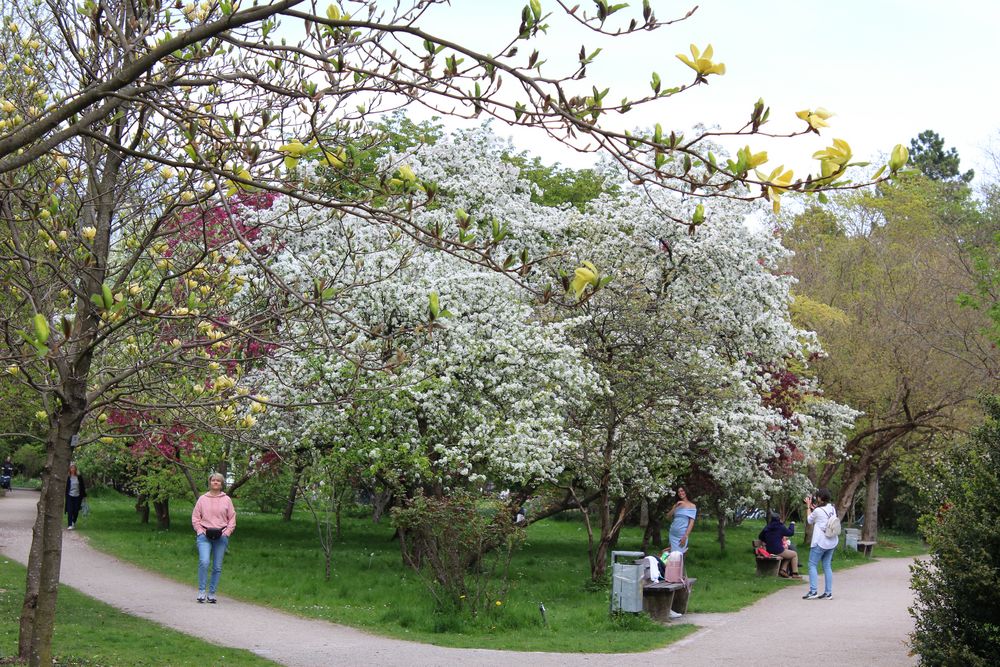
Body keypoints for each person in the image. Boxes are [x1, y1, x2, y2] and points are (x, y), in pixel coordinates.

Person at [191, 472, 237, 604]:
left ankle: (212, 593)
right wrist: (199, 531)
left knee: (217, 566)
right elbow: (195, 517)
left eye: (218, 481)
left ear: (222, 484)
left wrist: (227, 532)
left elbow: (232, 518)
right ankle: (201, 591)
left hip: (221, 536)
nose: (215, 482)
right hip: (205, 535)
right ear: (210, 482)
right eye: (213, 480)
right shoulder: (202, 499)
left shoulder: (227, 500)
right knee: (204, 561)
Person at [803, 488, 838, 600]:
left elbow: (809, 520)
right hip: (832, 541)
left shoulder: (817, 511)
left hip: (820, 542)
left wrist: (808, 507)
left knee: (812, 565)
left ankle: (813, 591)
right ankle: (828, 592)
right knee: (827, 566)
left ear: (819, 498)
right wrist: (815, 509)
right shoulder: (832, 508)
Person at [758, 511, 801, 579]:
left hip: (768, 550)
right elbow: (790, 533)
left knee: (789, 554)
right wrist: (792, 524)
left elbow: (760, 536)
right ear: (779, 519)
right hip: (778, 550)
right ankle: (795, 573)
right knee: (794, 554)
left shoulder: (767, 527)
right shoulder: (780, 526)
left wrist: (767, 540)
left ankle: (783, 570)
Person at [665, 486, 697, 555]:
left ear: (686, 492)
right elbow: (668, 517)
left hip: (681, 535)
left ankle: (680, 566)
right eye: (679, 492)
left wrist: (685, 536)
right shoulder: (677, 504)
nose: (680, 493)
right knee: (672, 556)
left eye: (682, 491)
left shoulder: (692, 506)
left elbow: (691, 523)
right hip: (672, 533)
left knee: (679, 555)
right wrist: (676, 506)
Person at [65, 463, 86, 529]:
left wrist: (84, 495)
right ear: (69, 469)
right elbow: (65, 487)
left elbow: (82, 486)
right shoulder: (68, 477)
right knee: (70, 510)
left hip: (77, 496)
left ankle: (73, 521)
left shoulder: (79, 477)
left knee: (76, 510)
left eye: (74, 468)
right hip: (69, 496)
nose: (72, 469)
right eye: (71, 468)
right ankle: (70, 525)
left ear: (76, 469)